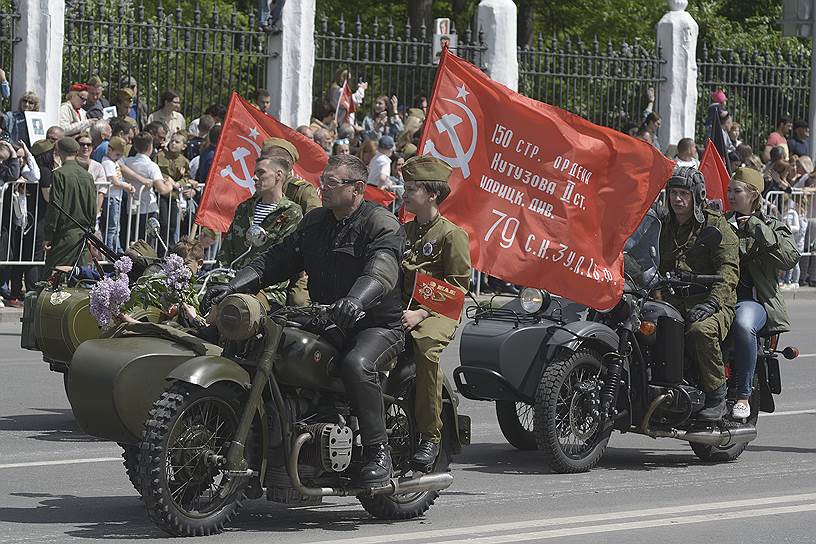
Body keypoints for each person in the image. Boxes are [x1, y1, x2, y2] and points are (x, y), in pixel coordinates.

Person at [203, 154, 406, 487]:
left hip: (375, 325)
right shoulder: (315, 223)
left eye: (331, 183)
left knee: (356, 365)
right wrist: (234, 284)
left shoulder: (380, 223)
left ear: (356, 189)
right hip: (327, 318)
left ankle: (377, 451)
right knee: (272, 345)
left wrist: (355, 301)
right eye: (322, 181)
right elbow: (276, 260)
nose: (321, 188)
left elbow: (381, 271)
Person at [399, 156, 471, 471]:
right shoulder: (402, 231)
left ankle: (430, 435)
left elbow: (458, 288)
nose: (404, 193)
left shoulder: (451, 235)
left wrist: (421, 312)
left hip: (437, 312)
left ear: (431, 194)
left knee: (425, 351)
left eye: (411, 188)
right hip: (400, 307)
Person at [658, 166, 739, 420]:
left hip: (712, 301)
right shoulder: (664, 225)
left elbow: (729, 269)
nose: (677, 199)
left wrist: (714, 302)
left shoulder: (714, 225)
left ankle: (717, 395)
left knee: (700, 331)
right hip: (672, 299)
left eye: (684, 193)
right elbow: (645, 254)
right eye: (673, 193)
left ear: (696, 195)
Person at [725, 167, 799, 419]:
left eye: (737, 191)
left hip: (752, 301)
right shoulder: (722, 223)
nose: (731, 196)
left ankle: (743, 395)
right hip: (717, 298)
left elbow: (790, 257)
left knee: (743, 324)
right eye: (729, 191)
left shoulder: (770, 225)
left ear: (754, 195)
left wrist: (756, 226)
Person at [216, 156, 303, 307]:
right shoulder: (245, 208)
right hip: (230, 283)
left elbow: (282, 261)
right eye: (255, 173)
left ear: (278, 175)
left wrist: (244, 285)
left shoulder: (290, 212)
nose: (255, 177)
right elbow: (226, 251)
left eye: (261, 173)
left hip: (267, 290)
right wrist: (219, 281)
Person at [42, 138, 98, 271]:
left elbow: (55, 207)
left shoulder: (59, 174)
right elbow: (93, 207)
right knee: (80, 278)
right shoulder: (87, 176)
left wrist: (49, 235)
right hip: (83, 234)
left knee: (53, 277)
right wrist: (91, 231)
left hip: (64, 235)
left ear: (59, 152)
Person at [100, 136, 135, 253]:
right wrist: (127, 186)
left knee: (116, 228)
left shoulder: (113, 161)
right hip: (111, 198)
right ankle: (110, 250)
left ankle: (117, 249)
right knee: (112, 228)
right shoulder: (107, 162)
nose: (119, 158)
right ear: (110, 150)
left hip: (116, 197)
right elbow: (114, 181)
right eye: (117, 155)